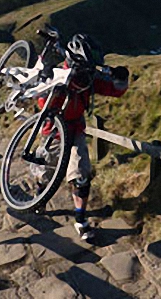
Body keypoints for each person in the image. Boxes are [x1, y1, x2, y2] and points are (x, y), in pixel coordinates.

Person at [36, 34, 129, 241]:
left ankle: (80, 220)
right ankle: (40, 196)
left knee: (81, 176)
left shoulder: (89, 78)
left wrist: (122, 77)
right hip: (53, 131)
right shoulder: (57, 73)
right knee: (46, 172)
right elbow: (42, 104)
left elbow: (116, 90)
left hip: (76, 130)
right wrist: (50, 81)